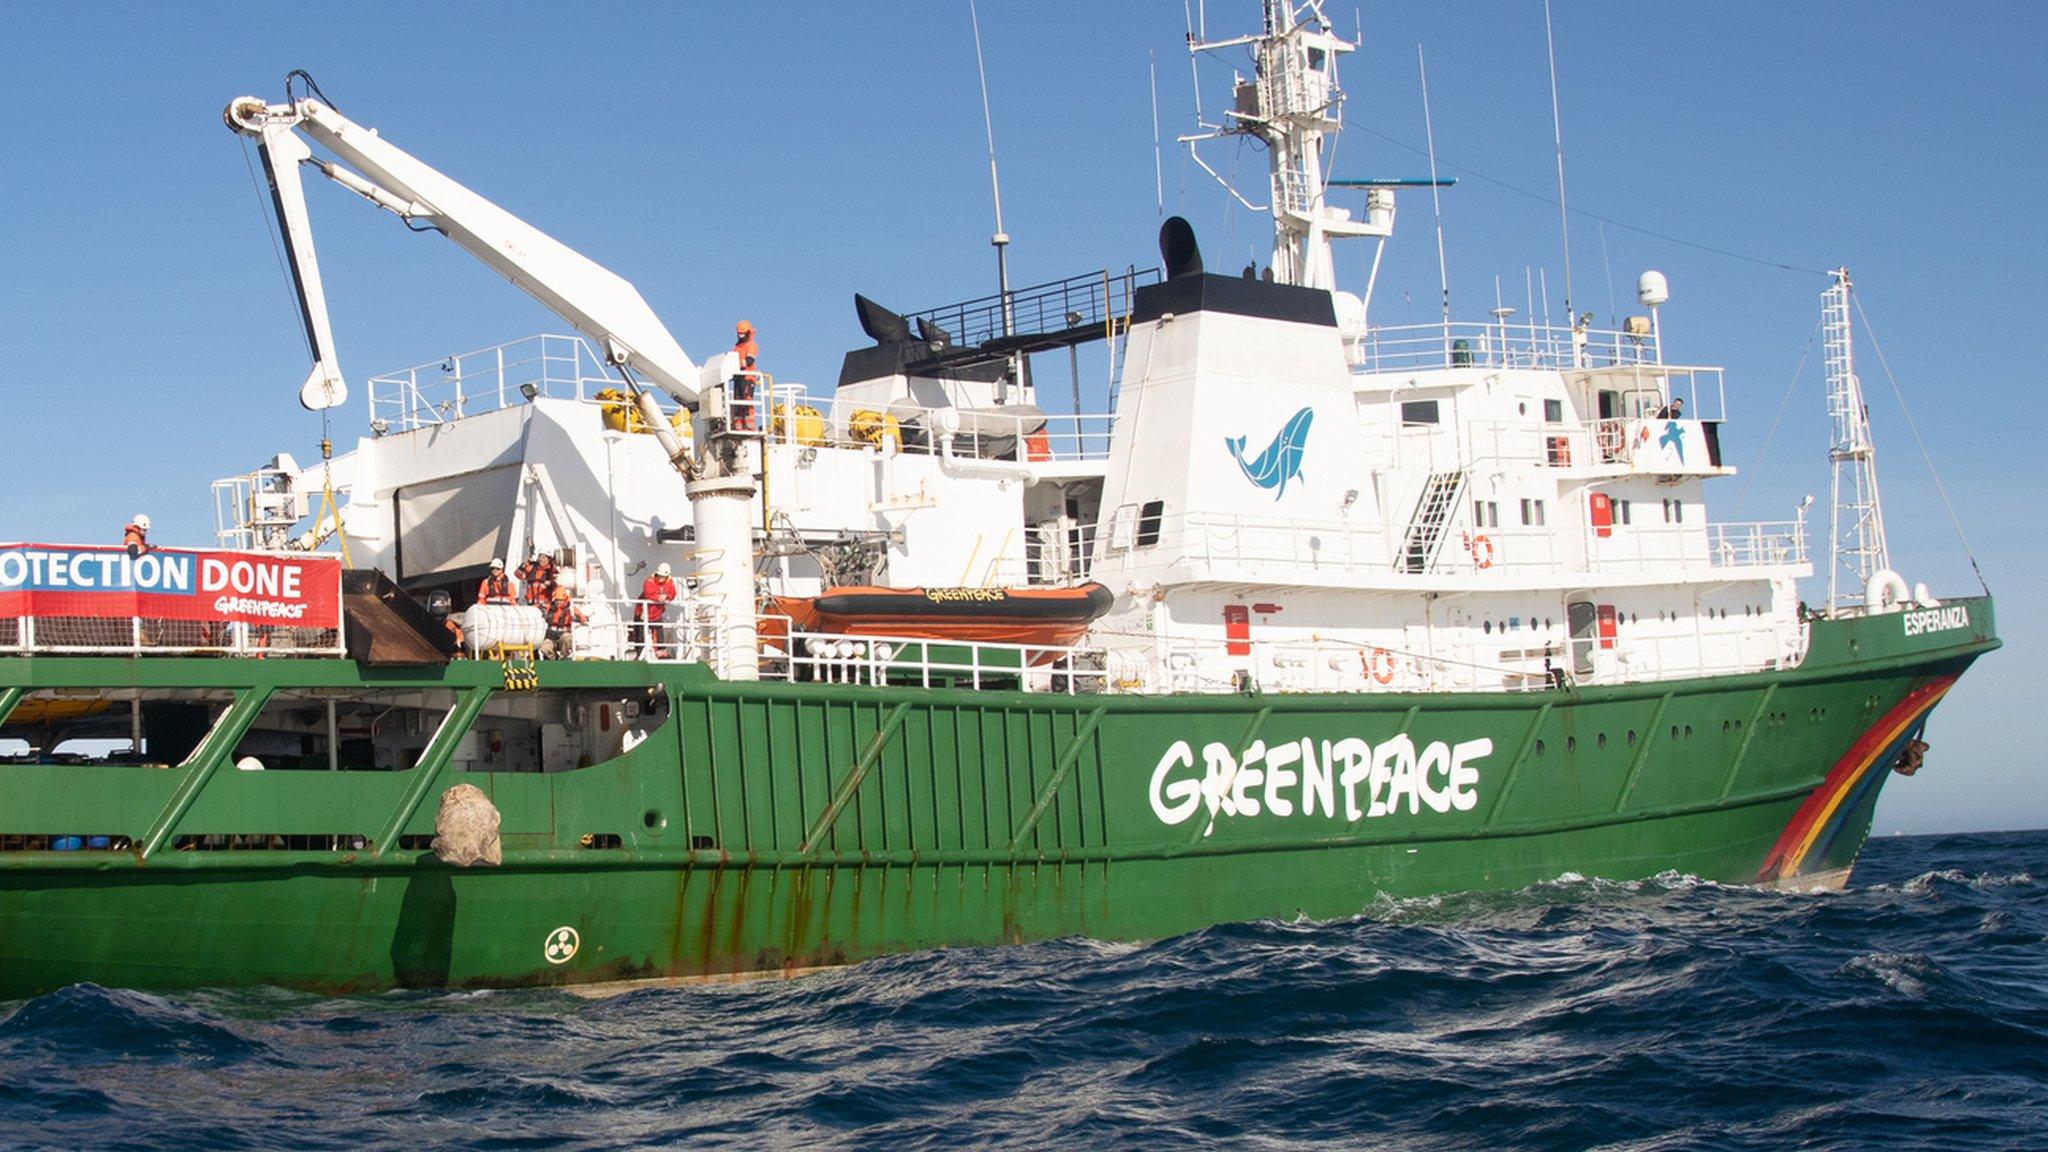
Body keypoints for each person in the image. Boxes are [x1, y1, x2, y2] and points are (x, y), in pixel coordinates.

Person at [633, 562, 680, 658]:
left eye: (663, 576)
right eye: (659, 576)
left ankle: (661, 653)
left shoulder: (669, 583)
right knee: (640, 635)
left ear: (667, 576)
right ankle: (639, 653)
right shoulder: (649, 581)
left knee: (660, 634)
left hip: (656, 614)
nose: (660, 578)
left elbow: (673, 593)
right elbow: (648, 593)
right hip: (642, 613)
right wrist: (658, 597)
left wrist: (667, 596)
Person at [541, 586, 586, 659]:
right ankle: (553, 659)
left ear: (565, 599)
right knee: (544, 648)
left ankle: (563, 658)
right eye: (557, 600)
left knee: (566, 638)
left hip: (563, 635)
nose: (559, 602)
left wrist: (579, 616)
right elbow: (540, 609)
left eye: (561, 600)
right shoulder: (549, 607)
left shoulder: (571, 608)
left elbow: (582, 618)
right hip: (551, 636)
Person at [732, 320, 760, 432]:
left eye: (742, 334)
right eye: (739, 334)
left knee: (747, 399)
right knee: (737, 400)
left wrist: (738, 364)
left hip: (748, 377)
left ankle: (749, 423)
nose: (740, 336)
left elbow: (749, 360)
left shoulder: (751, 346)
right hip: (738, 377)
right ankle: (738, 422)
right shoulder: (737, 347)